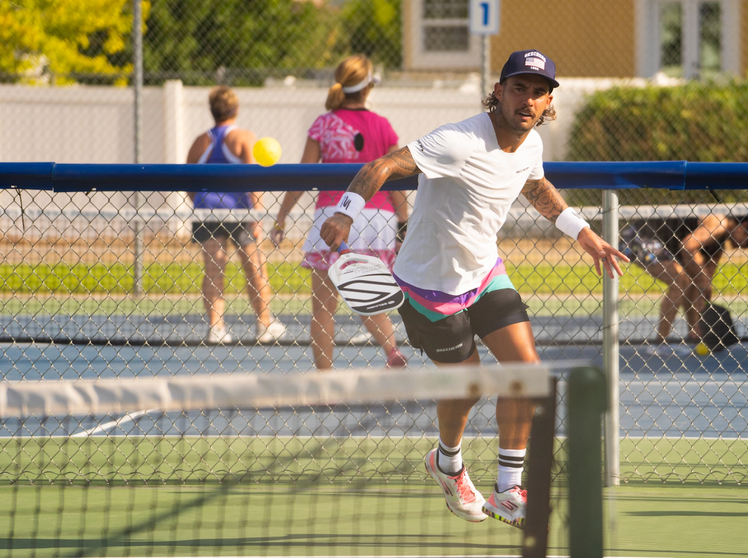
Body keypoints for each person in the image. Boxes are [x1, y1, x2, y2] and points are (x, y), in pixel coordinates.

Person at [319, 50, 627, 528]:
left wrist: (585, 235)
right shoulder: (458, 141)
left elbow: (536, 187)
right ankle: (447, 462)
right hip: (427, 288)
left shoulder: (529, 145)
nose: (528, 100)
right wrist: (345, 211)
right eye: (519, 88)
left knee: (527, 373)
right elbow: (381, 165)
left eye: (538, 91)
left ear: (549, 101)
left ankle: (508, 490)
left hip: (484, 275)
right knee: (470, 385)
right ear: (499, 92)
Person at [271, 55, 409, 371]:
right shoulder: (382, 125)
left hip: (334, 218)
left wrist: (281, 216)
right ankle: (391, 351)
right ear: (369, 86)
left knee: (323, 306)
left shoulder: (324, 124)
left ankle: (326, 379)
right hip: (378, 219)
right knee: (369, 296)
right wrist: (403, 225)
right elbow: (396, 180)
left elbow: (303, 176)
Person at [186, 86, 287, 345]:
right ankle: (264, 324)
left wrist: (199, 202)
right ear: (236, 108)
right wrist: (257, 215)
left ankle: (216, 328)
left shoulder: (201, 141)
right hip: (241, 212)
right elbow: (254, 180)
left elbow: (186, 177)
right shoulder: (244, 137)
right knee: (255, 267)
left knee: (213, 268)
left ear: (212, 110)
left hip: (207, 211)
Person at [621, 213, 748, 349]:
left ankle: (693, 336)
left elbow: (701, 285)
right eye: (747, 242)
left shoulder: (717, 247)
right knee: (680, 281)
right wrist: (704, 279)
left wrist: (698, 324)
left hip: (663, 245)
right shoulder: (719, 223)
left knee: (691, 282)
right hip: (641, 236)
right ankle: (659, 344)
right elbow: (687, 246)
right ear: (743, 227)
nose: (743, 247)